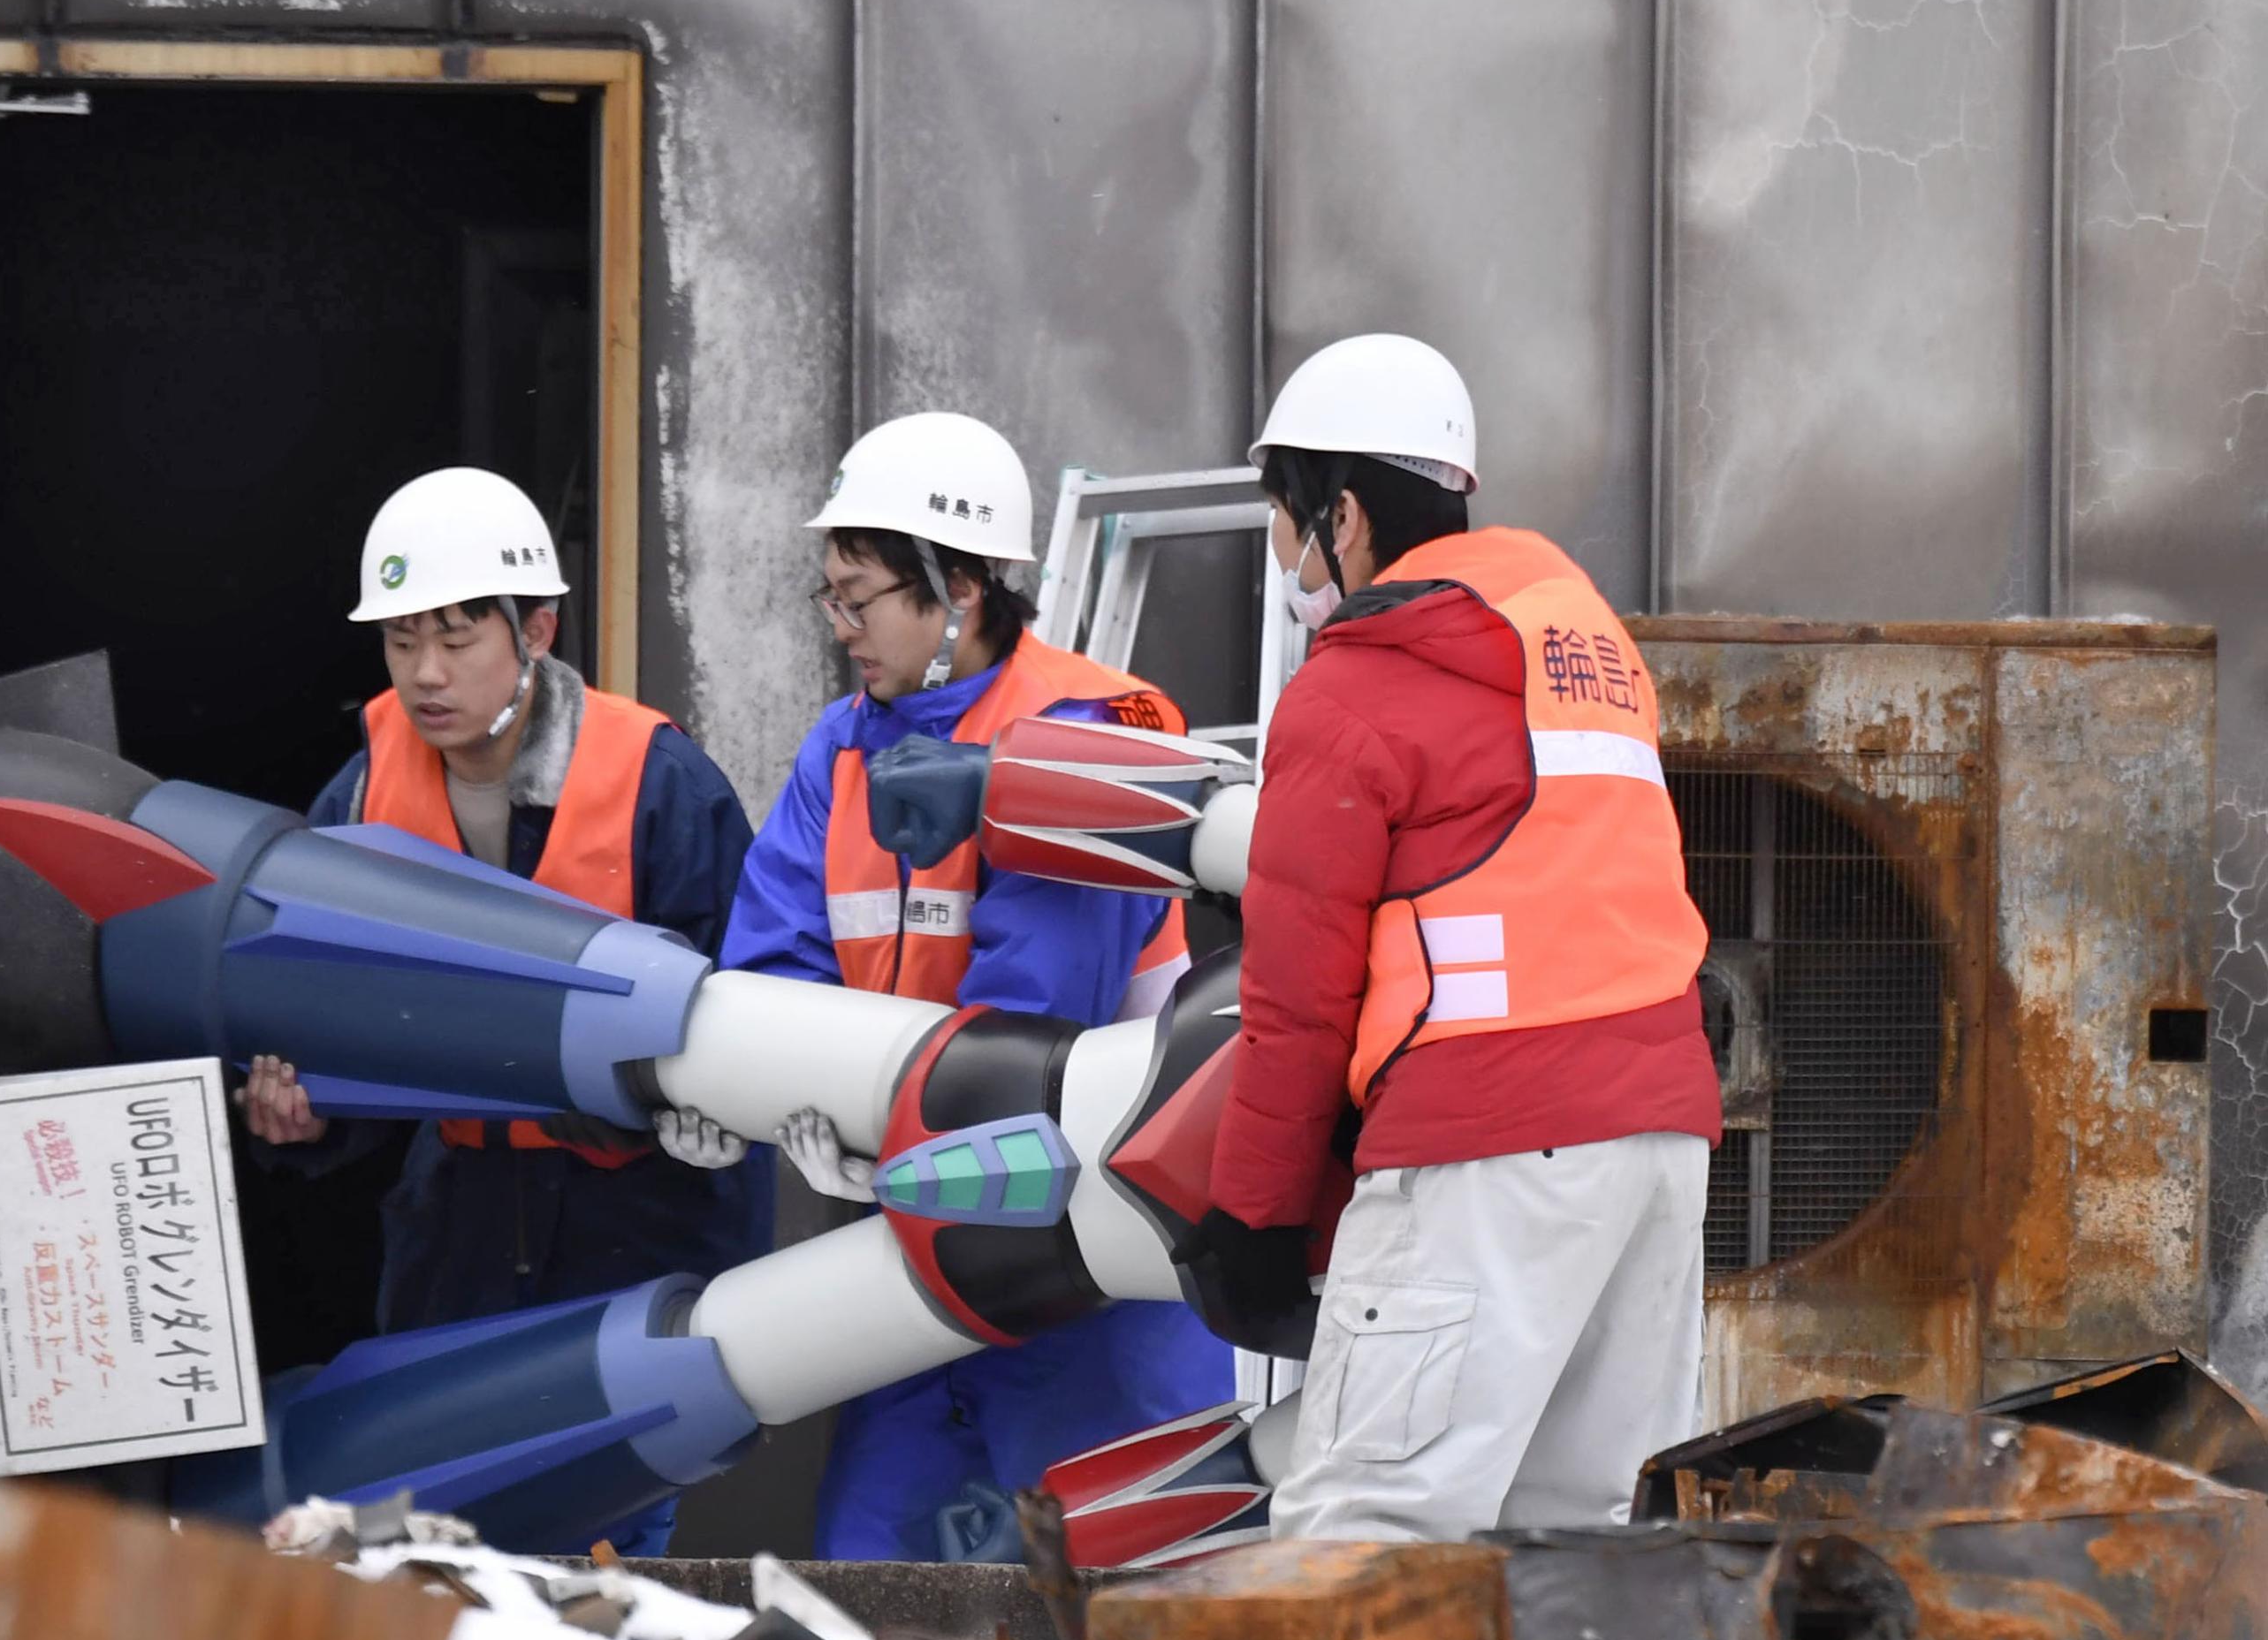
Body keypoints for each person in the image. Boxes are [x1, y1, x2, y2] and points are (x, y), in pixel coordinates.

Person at [1177, 332, 1718, 1539]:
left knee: (1369, 1539)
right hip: (1658, 1151)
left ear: (1345, 517)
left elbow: (1298, 1002)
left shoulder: (1354, 688)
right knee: (1579, 1551)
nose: (1282, 553)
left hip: (1484, 1151)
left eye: (1283, 517)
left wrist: (1254, 1219)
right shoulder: (1582, 655)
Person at [707, 412, 1235, 1562]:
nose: (841, 627)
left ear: (959, 589)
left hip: (1090, 1258)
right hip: (913, 1261)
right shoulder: (839, 751)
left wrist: (869, 1121)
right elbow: (769, 967)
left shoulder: (1089, 735)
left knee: (1122, 1610)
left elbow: (1034, 1018)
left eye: (863, 598)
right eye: (830, 598)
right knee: (878, 1578)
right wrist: (773, 1093)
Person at [239, 467, 771, 1552]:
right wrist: (302, 1116)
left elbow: (749, 1032)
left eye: (455, 637)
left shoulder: (659, 785)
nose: (424, 674)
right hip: (461, 1231)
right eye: (399, 641)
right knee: (440, 1546)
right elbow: (326, 1028)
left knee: (609, 1543)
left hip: (630, 1228)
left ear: (535, 628)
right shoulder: (357, 795)